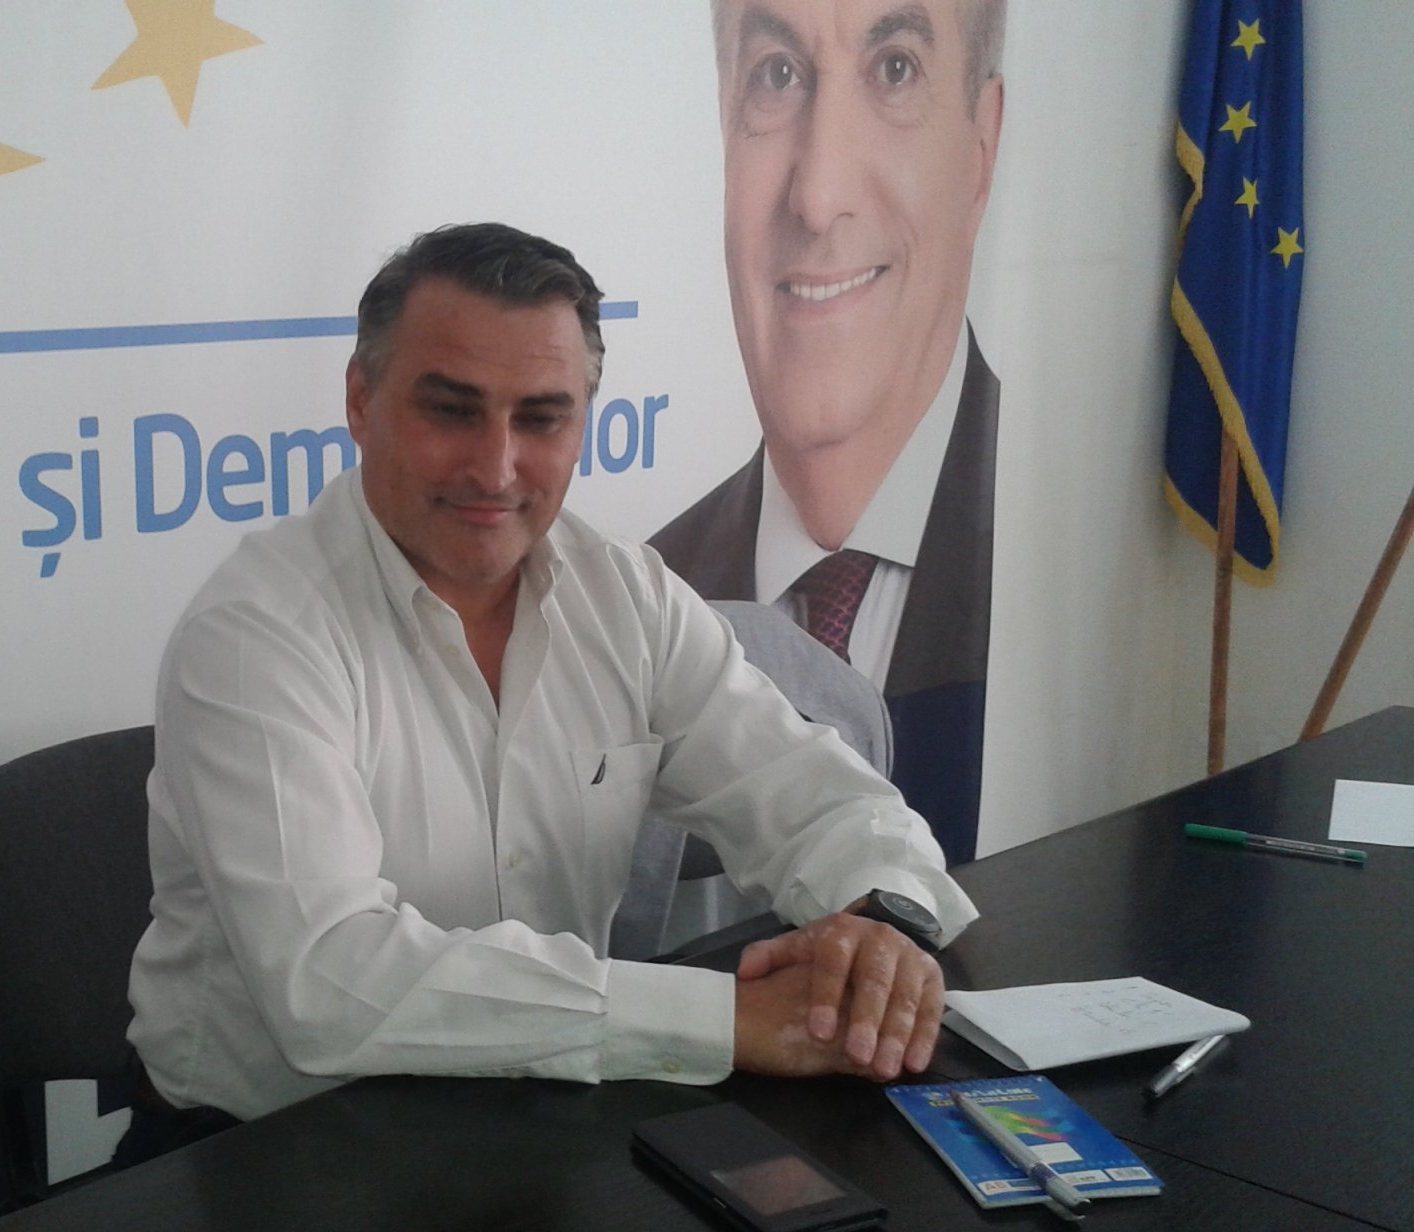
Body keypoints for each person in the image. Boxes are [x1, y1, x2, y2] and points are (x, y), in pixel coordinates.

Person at [121, 223, 976, 1159]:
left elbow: (813, 792)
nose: (495, 468)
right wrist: (724, 1019)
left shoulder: (626, 595)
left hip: (544, 1112)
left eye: (540, 419)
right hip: (268, 1152)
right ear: (361, 401)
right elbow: (329, 985)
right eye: (451, 410)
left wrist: (879, 928)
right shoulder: (255, 634)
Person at [651, 0, 1006, 864]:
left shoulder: (1087, 582)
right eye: (775, 76)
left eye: (894, 70)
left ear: (980, 151)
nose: (817, 197)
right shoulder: (645, 601)